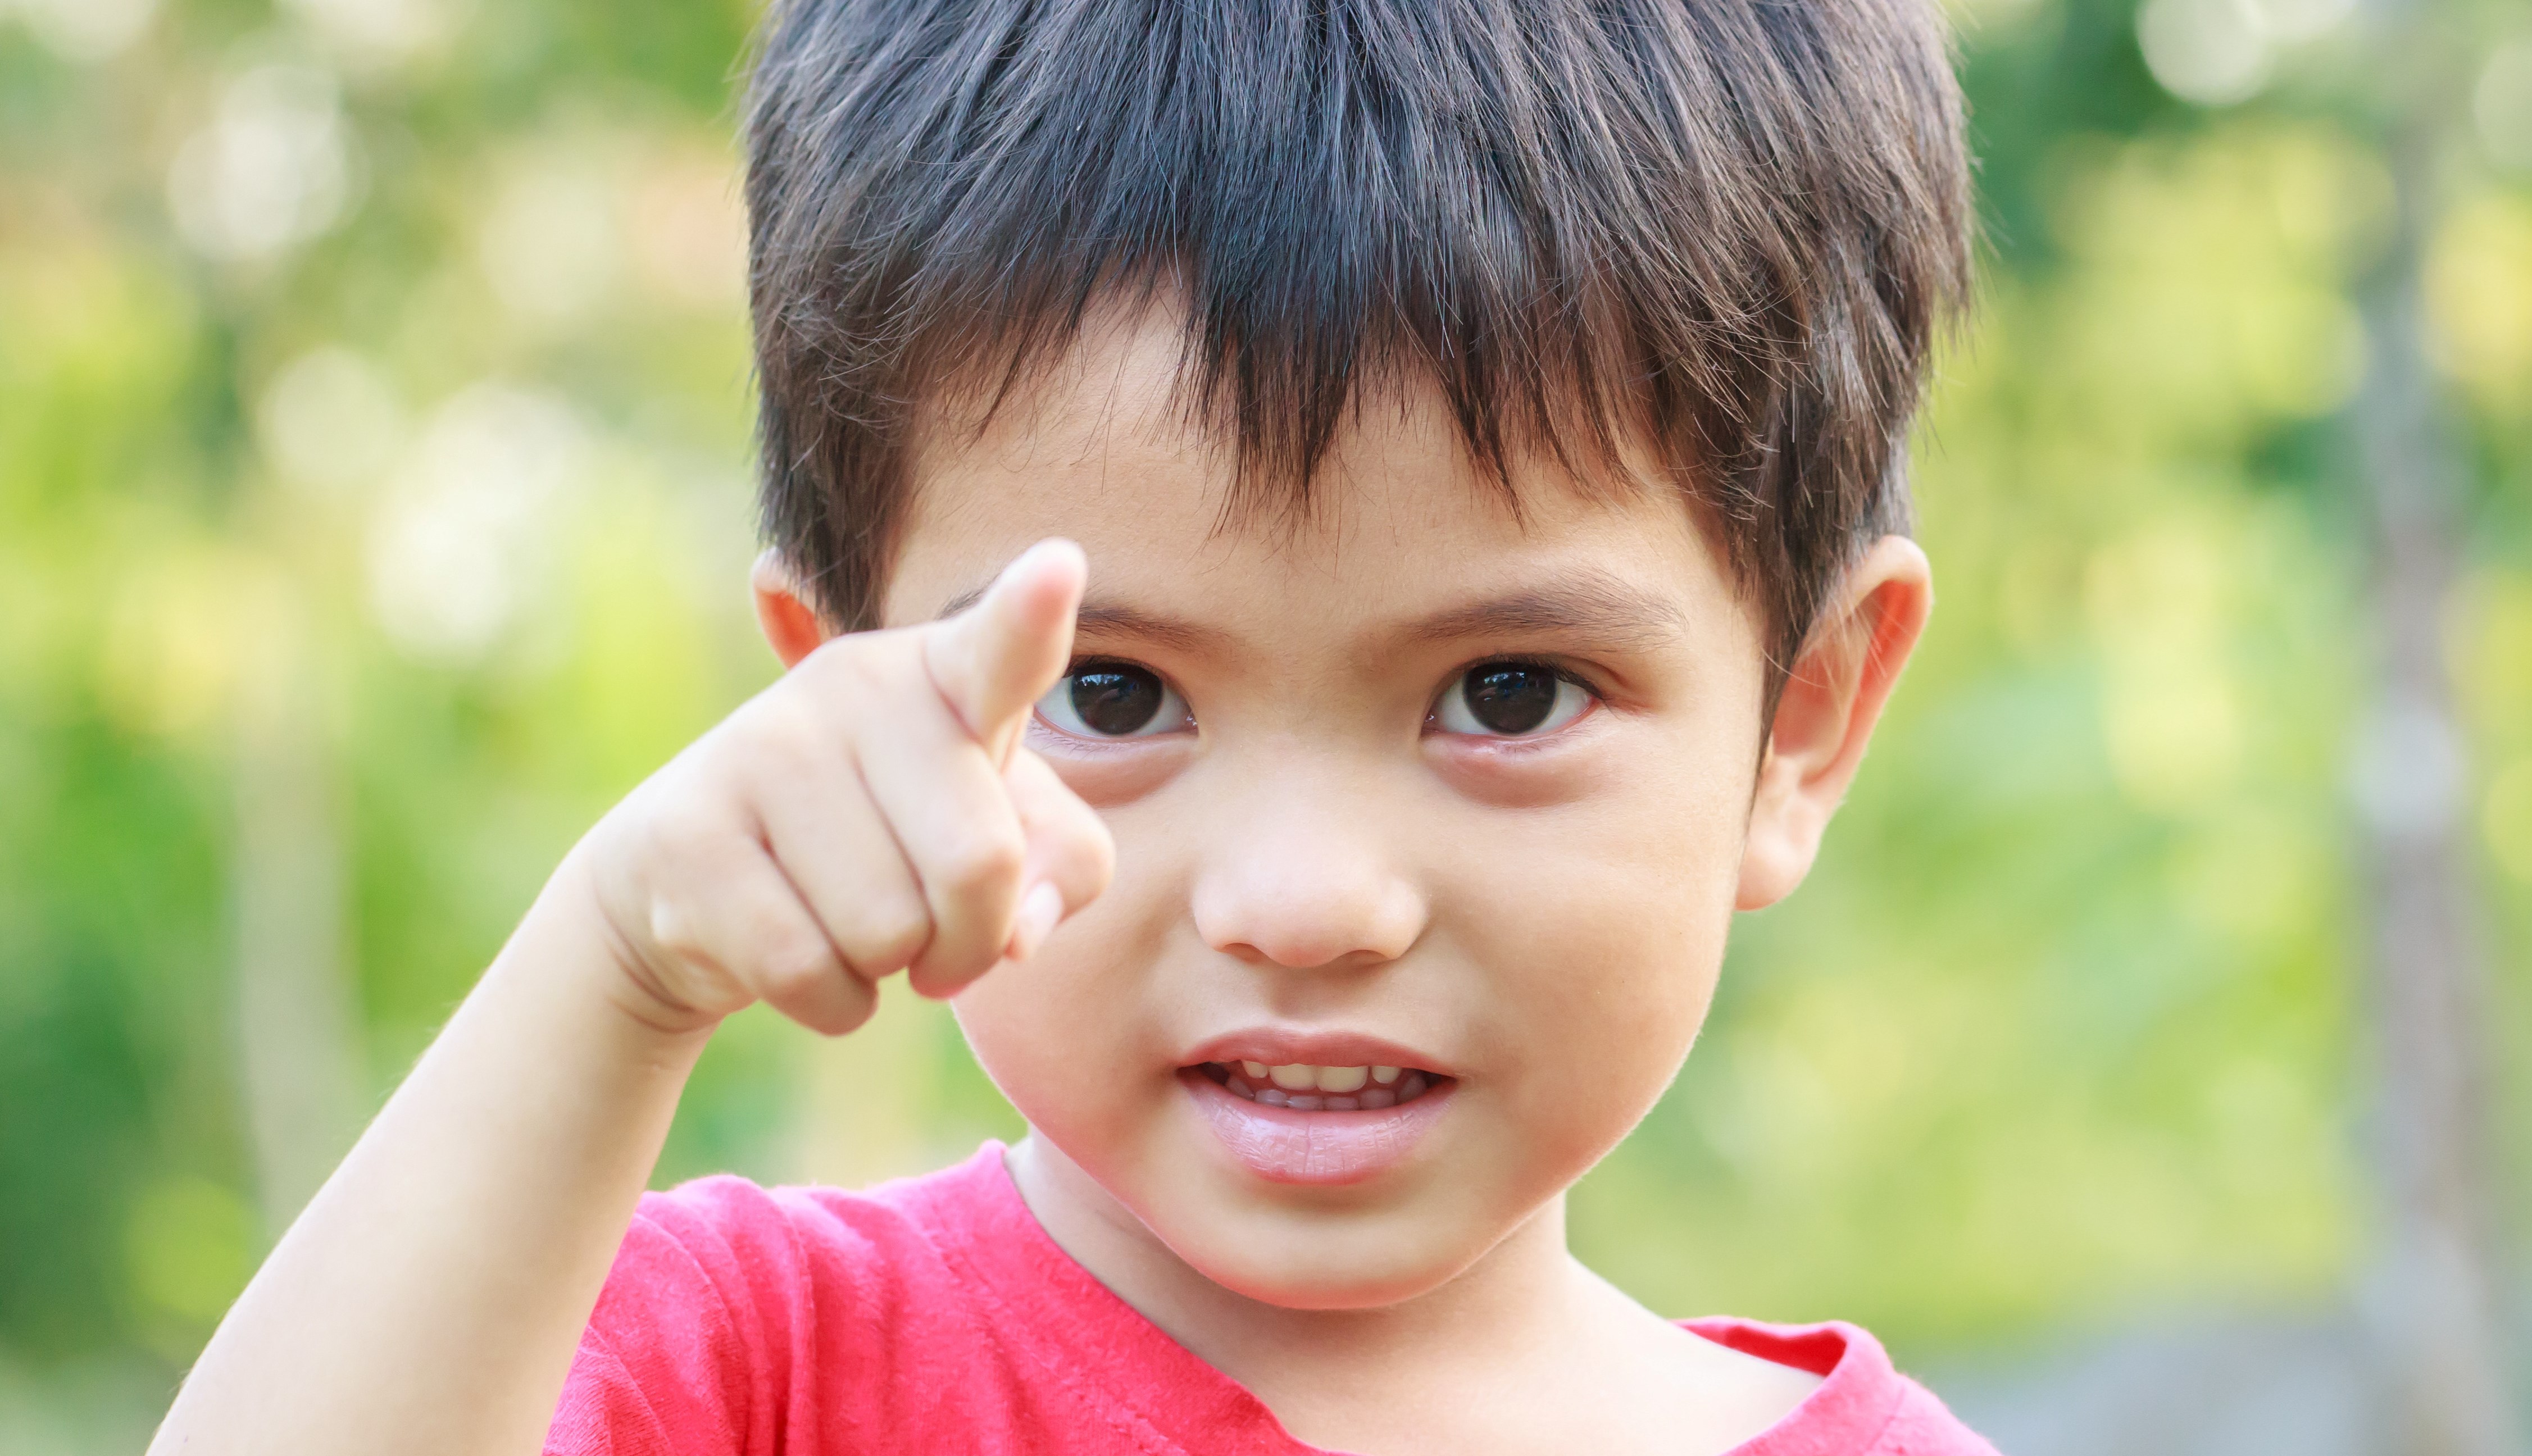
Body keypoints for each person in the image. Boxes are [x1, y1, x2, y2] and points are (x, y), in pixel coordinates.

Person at [152, 0, 1989, 1451]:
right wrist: (615, 968)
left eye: (1504, 694)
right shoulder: (740, 1376)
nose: (1306, 904)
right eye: (1112, 694)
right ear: (842, 687)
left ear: (1805, 714)